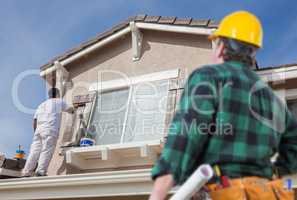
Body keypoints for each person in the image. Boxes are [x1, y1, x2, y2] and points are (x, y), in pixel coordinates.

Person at [149, 11, 296, 200]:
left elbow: (185, 137)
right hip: (265, 192)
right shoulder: (272, 100)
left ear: (220, 47)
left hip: (222, 191)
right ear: (253, 52)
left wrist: (158, 193)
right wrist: (272, 171)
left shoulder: (208, 78)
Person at [22, 88, 75, 177]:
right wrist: (76, 106)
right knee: (46, 150)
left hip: (38, 131)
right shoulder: (59, 101)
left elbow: (34, 121)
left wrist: (37, 133)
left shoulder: (41, 105)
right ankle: (40, 172)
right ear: (58, 94)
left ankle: (26, 171)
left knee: (34, 151)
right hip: (50, 129)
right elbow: (71, 110)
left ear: (49, 95)